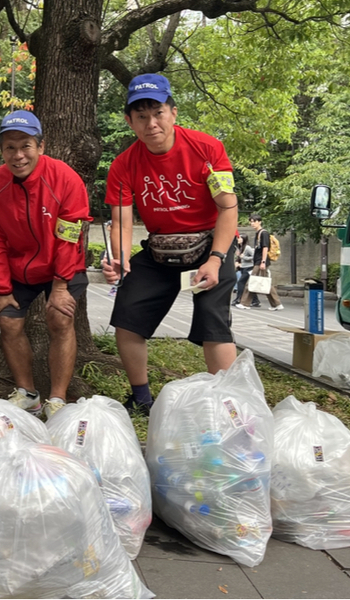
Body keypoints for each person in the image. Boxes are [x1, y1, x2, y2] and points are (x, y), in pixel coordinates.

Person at [101, 73, 239, 416]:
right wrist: (120, 259)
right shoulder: (123, 164)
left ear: (173, 113)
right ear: (130, 121)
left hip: (210, 243)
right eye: (141, 116)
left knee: (213, 321)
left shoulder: (207, 149)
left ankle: (229, 406)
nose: (151, 124)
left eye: (158, 113)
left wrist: (216, 259)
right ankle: (141, 398)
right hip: (160, 247)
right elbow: (122, 220)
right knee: (127, 318)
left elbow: (228, 207)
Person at [0, 110, 92, 419]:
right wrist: (2, 289)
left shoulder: (65, 178)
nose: (18, 155)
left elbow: (69, 234)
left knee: (60, 317)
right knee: (8, 321)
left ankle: (57, 399)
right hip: (19, 268)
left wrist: (60, 286)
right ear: (2, 151)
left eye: (25, 146)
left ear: (40, 146)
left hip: (62, 265)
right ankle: (28, 394)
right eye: (10, 147)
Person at [238, 214, 283, 310]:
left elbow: (265, 248)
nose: (252, 223)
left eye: (254, 221)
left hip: (261, 262)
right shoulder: (258, 233)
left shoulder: (264, 233)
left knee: (251, 281)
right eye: (251, 222)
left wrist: (263, 261)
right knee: (266, 282)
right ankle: (276, 304)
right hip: (259, 261)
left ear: (260, 222)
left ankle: (244, 303)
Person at [233, 233, 254, 307]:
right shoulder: (240, 247)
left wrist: (244, 257)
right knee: (248, 284)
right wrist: (237, 262)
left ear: (243, 239)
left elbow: (254, 257)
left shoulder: (247, 247)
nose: (238, 239)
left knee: (240, 282)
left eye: (240, 238)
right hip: (243, 268)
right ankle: (255, 301)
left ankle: (238, 299)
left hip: (249, 268)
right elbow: (238, 257)